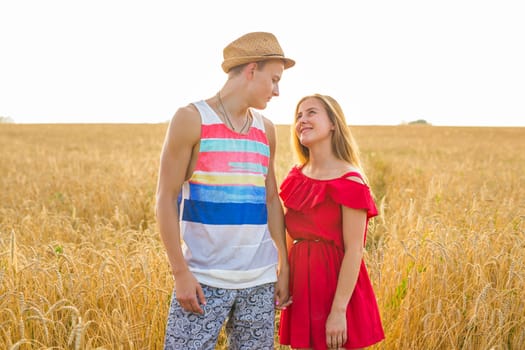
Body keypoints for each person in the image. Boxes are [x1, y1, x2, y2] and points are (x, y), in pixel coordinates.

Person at [155, 32, 295, 350]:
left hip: (259, 281)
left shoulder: (266, 129)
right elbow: (165, 196)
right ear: (251, 70)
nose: (277, 90)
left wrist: (282, 266)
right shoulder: (191, 119)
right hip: (203, 280)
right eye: (273, 80)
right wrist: (180, 273)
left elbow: (271, 199)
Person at [278, 94, 385, 350]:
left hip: (336, 287)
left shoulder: (350, 179)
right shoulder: (296, 175)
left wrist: (338, 311)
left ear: (333, 124)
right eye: (298, 116)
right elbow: (289, 237)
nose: (302, 120)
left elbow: (355, 250)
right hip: (302, 284)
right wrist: (284, 276)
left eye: (311, 113)